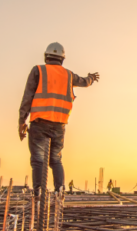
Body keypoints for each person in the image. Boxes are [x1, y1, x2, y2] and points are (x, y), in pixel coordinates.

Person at [18, 42, 99, 197]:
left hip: (39, 122)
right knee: (55, 159)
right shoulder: (68, 75)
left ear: (46, 56)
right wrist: (91, 78)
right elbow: (84, 82)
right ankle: (59, 191)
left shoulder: (38, 71)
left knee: (38, 160)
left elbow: (27, 97)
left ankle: (39, 193)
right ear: (62, 58)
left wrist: (21, 121)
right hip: (59, 125)